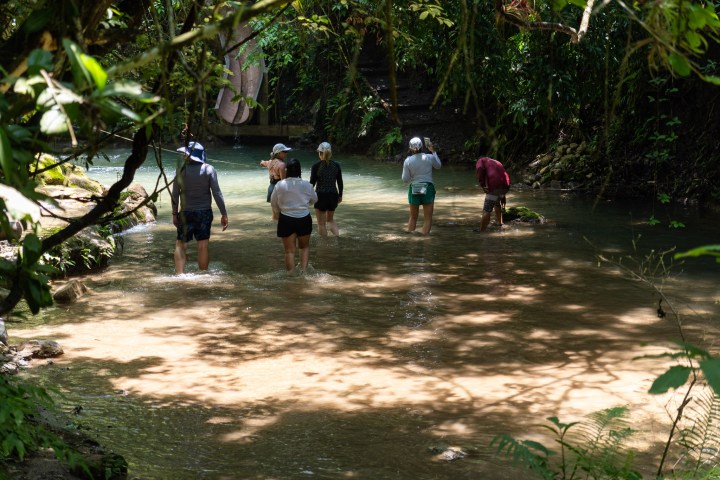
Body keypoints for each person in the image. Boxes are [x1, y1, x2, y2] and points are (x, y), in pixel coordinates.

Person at [171, 141, 229, 274]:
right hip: (204, 213)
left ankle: (180, 275)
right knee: (202, 246)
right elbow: (217, 193)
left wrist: (174, 214)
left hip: (185, 213)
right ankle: (203, 275)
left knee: (181, 245)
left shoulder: (180, 171)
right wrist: (224, 213)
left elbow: (175, 195)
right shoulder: (209, 169)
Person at [270, 158, 318, 274]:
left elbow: (273, 202)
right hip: (304, 218)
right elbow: (314, 199)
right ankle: (304, 272)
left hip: (286, 219)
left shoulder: (280, 185)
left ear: (286, 171)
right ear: (299, 171)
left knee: (289, 251)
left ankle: (291, 276)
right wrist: (304, 205)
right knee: (304, 247)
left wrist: (277, 213)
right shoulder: (307, 185)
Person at [401, 136, 441, 235]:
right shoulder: (429, 157)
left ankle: (410, 241)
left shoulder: (408, 161)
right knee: (427, 218)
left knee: (413, 217)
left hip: (415, 187)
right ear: (422, 146)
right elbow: (438, 166)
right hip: (427, 187)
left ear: (410, 148)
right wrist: (433, 151)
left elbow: (405, 179)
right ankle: (424, 242)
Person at [309, 142, 343, 237]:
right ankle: (338, 239)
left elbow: (312, 183)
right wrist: (340, 195)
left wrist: (308, 196)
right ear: (330, 152)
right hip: (333, 196)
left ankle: (324, 245)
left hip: (321, 196)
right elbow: (340, 183)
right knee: (330, 220)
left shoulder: (316, 166)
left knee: (321, 224)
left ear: (320, 153)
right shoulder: (336, 165)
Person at [475, 156, 510, 232]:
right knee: (497, 203)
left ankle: (482, 231)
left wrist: (482, 185)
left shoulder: (481, 160)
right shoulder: (497, 162)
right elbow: (503, 175)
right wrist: (503, 196)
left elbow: (480, 169)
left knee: (487, 210)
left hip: (494, 186)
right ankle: (500, 223)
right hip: (505, 185)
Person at [260, 143, 291, 219]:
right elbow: (284, 182)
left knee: (274, 215)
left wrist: (262, 162)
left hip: (271, 188)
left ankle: (273, 229)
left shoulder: (270, 162)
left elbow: (262, 163)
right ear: (279, 153)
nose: (286, 154)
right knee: (282, 215)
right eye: (285, 152)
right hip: (279, 190)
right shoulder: (281, 165)